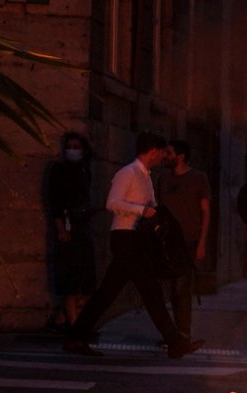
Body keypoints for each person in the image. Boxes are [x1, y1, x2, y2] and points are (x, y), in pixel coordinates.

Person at [63, 132, 203, 359]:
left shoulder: (146, 176)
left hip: (137, 240)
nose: (162, 157)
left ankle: (76, 337)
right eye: (161, 152)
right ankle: (175, 342)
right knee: (148, 292)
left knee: (115, 292)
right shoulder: (127, 173)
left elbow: (152, 206)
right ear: (153, 151)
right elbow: (112, 203)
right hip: (125, 238)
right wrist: (141, 210)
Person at [154, 139, 211, 342]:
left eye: (168, 153)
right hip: (167, 242)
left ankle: (183, 331)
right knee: (168, 288)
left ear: (181, 156)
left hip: (188, 240)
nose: (164, 156)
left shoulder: (198, 178)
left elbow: (205, 211)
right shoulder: (163, 179)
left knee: (182, 286)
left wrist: (202, 242)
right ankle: (172, 331)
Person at [43, 130, 97, 329]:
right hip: (67, 226)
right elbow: (55, 201)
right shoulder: (59, 170)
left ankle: (65, 317)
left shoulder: (84, 170)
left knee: (84, 278)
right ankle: (73, 324)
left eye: (76, 147)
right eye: (69, 147)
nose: (71, 151)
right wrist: (60, 228)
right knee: (70, 279)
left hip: (82, 226)